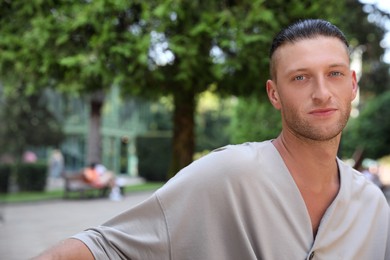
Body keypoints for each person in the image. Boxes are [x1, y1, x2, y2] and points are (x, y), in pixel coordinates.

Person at [34, 19, 390, 259]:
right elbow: (103, 247)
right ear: (274, 94)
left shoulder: (374, 208)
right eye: (300, 78)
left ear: (353, 84)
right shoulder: (227, 174)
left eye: (335, 74)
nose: (322, 92)